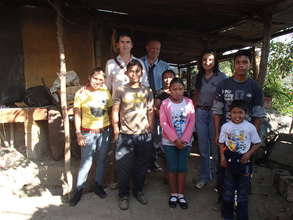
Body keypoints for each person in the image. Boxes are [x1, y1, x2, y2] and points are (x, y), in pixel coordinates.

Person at [212, 49, 265, 199]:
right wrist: (217, 134)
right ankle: (223, 196)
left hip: (245, 138)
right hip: (226, 135)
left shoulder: (255, 87)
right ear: (233, 65)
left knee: (244, 166)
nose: (241, 65)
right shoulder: (224, 84)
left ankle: (242, 197)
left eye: (245, 62)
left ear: (249, 65)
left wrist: (252, 137)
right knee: (223, 164)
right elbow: (217, 112)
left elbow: (258, 115)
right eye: (238, 62)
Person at [112, 60, 154, 210]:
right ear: (126, 73)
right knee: (123, 167)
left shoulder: (147, 91)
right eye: (131, 71)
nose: (134, 74)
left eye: (137, 71)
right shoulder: (121, 90)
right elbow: (115, 110)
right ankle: (123, 195)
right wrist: (116, 130)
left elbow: (150, 111)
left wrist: (150, 129)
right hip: (125, 134)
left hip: (143, 134)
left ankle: (139, 190)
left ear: (142, 73)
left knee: (141, 166)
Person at [69, 67, 112, 206]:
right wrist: (78, 133)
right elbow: (77, 113)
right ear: (89, 77)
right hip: (87, 132)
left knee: (101, 160)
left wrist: (113, 128)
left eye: (101, 80)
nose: (98, 82)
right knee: (86, 162)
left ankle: (98, 186)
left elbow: (110, 110)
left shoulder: (105, 91)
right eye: (95, 78)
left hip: (105, 131)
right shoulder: (80, 93)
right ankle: (79, 190)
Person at [219, 100, 261, 220]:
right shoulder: (226, 126)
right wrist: (222, 157)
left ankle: (242, 216)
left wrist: (248, 154)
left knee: (243, 190)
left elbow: (257, 143)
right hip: (229, 160)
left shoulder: (250, 127)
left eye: (240, 112)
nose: (237, 115)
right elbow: (221, 143)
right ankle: (227, 215)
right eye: (234, 112)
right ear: (229, 113)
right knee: (228, 188)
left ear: (246, 113)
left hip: (244, 162)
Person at [192, 50, 226, 189]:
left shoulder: (222, 77)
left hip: (215, 114)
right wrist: (193, 112)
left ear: (215, 61)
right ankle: (204, 177)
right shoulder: (198, 76)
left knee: (216, 146)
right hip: (200, 112)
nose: (207, 62)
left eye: (210, 60)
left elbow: (225, 98)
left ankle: (218, 178)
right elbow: (195, 95)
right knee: (203, 148)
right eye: (204, 59)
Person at [160, 78, 195, 209]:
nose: (178, 92)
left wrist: (184, 140)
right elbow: (164, 123)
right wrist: (175, 140)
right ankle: (173, 193)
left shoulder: (189, 102)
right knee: (172, 167)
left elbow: (191, 122)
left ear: (184, 89)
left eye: (180, 88)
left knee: (182, 168)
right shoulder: (165, 103)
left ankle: (181, 194)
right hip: (169, 142)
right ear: (170, 91)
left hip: (185, 143)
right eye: (174, 89)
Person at [105, 32, 148, 96]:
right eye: (122, 42)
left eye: (128, 42)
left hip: (136, 102)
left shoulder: (139, 62)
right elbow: (107, 86)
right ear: (117, 45)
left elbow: (145, 84)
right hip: (117, 103)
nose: (125, 45)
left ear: (131, 45)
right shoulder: (110, 63)